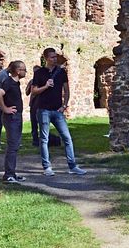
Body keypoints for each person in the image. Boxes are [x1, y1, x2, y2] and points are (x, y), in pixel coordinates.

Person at [31, 47, 86, 177]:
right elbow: (34, 91)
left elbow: (66, 90)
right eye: (52, 57)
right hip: (43, 109)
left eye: (56, 57)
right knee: (44, 139)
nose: (55, 59)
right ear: (46, 58)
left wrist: (64, 105)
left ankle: (72, 166)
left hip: (57, 110)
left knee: (67, 137)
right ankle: (47, 167)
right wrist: (45, 86)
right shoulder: (39, 73)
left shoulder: (61, 72)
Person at [0, 60, 27, 183]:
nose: (25, 72)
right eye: (24, 70)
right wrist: (5, 109)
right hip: (11, 118)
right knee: (12, 146)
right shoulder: (8, 82)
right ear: (18, 71)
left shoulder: (15, 83)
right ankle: (8, 175)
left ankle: (12, 172)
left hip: (16, 116)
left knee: (15, 145)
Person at [25, 65, 42, 147]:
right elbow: (27, 92)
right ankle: (35, 141)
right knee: (34, 123)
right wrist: (30, 85)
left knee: (42, 123)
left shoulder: (43, 81)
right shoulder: (32, 81)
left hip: (41, 104)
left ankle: (43, 140)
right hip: (33, 104)